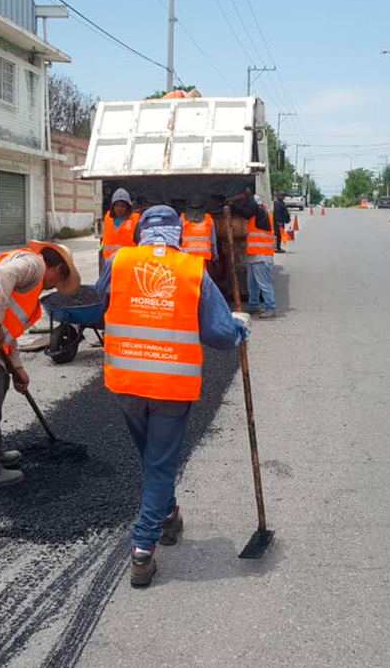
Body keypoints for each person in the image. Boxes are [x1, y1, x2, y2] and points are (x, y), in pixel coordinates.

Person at [96, 206, 250, 587]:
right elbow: (219, 334)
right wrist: (240, 328)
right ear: (177, 234)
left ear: (141, 233)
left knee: (152, 457)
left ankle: (167, 517)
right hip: (170, 385)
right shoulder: (191, 270)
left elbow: (102, 306)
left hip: (127, 383)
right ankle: (143, 548)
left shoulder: (118, 262)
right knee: (161, 463)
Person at [0, 241, 81, 488]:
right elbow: (5, 274)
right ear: (57, 267)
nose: (54, 286)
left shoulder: (32, 289)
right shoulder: (35, 264)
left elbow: (10, 333)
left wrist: (18, 368)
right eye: (60, 278)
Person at [234, 190, 277, 318]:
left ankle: (271, 308)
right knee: (252, 285)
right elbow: (245, 213)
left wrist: (243, 197)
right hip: (254, 256)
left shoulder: (262, 215)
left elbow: (251, 210)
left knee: (264, 284)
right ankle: (254, 306)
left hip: (262, 256)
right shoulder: (255, 217)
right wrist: (233, 204)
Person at [101, 188, 140, 269]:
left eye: (122, 206)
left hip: (128, 265)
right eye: (116, 205)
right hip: (109, 265)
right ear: (112, 206)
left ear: (127, 207)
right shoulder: (108, 218)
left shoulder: (135, 221)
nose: (119, 208)